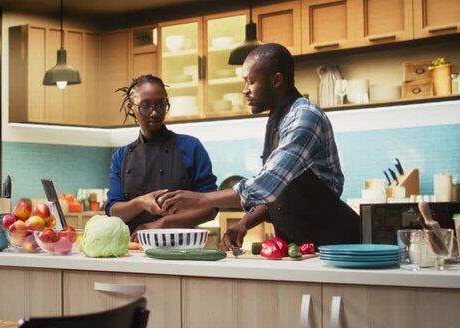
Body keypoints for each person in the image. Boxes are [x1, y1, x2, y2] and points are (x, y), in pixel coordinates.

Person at [156, 43, 360, 249]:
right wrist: (244, 224)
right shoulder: (278, 119)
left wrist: (200, 199)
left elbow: (266, 185)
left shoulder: (304, 117)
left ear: (276, 80)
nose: (245, 90)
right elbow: (281, 191)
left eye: (250, 82)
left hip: (337, 244)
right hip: (303, 245)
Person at [104, 75, 218, 239]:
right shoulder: (121, 157)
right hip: (134, 249)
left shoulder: (191, 147)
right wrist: (141, 202)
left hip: (181, 248)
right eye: (145, 106)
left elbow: (210, 208)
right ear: (131, 108)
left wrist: (162, 224)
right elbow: (114, 212)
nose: (155, 112)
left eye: (160, 104)